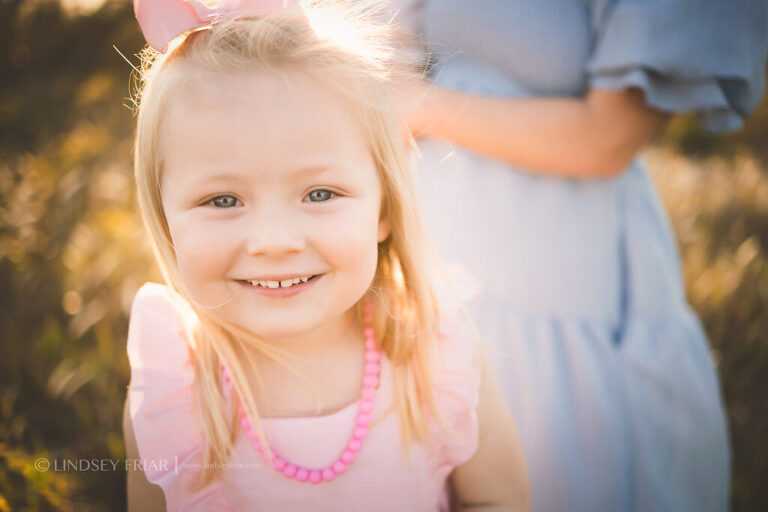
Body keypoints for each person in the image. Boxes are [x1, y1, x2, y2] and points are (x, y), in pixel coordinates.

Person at [121, 1, 530, 511]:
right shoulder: (175, 391)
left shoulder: (437, 353)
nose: (275, 241)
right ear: (166, 221)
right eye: (222, 200)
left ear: (384, 207)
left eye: (320, 194)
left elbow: (500, 500)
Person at [387, 0, 768, 511]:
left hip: (562, 270)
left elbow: (607, 138)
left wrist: (422, 107)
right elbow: (390, 53)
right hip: (433, 246)